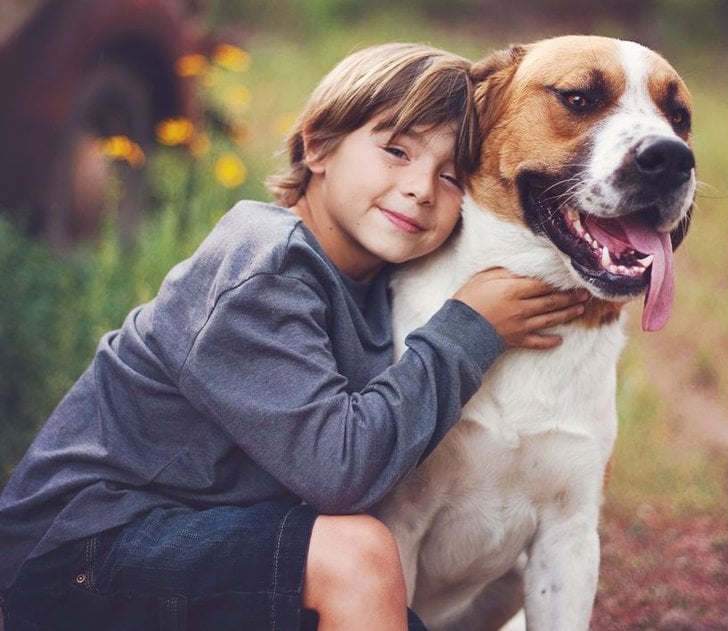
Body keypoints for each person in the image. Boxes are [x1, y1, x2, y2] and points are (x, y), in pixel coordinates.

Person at [0, 43, 588, 630]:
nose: (420, 188)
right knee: (355, 558)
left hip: (201, 547)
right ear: (318, 145)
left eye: (452, 176)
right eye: (395, 151)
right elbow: (340, 473)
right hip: (79, 553)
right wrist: (471, 328)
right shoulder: (261, 265)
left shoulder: (381, 284)